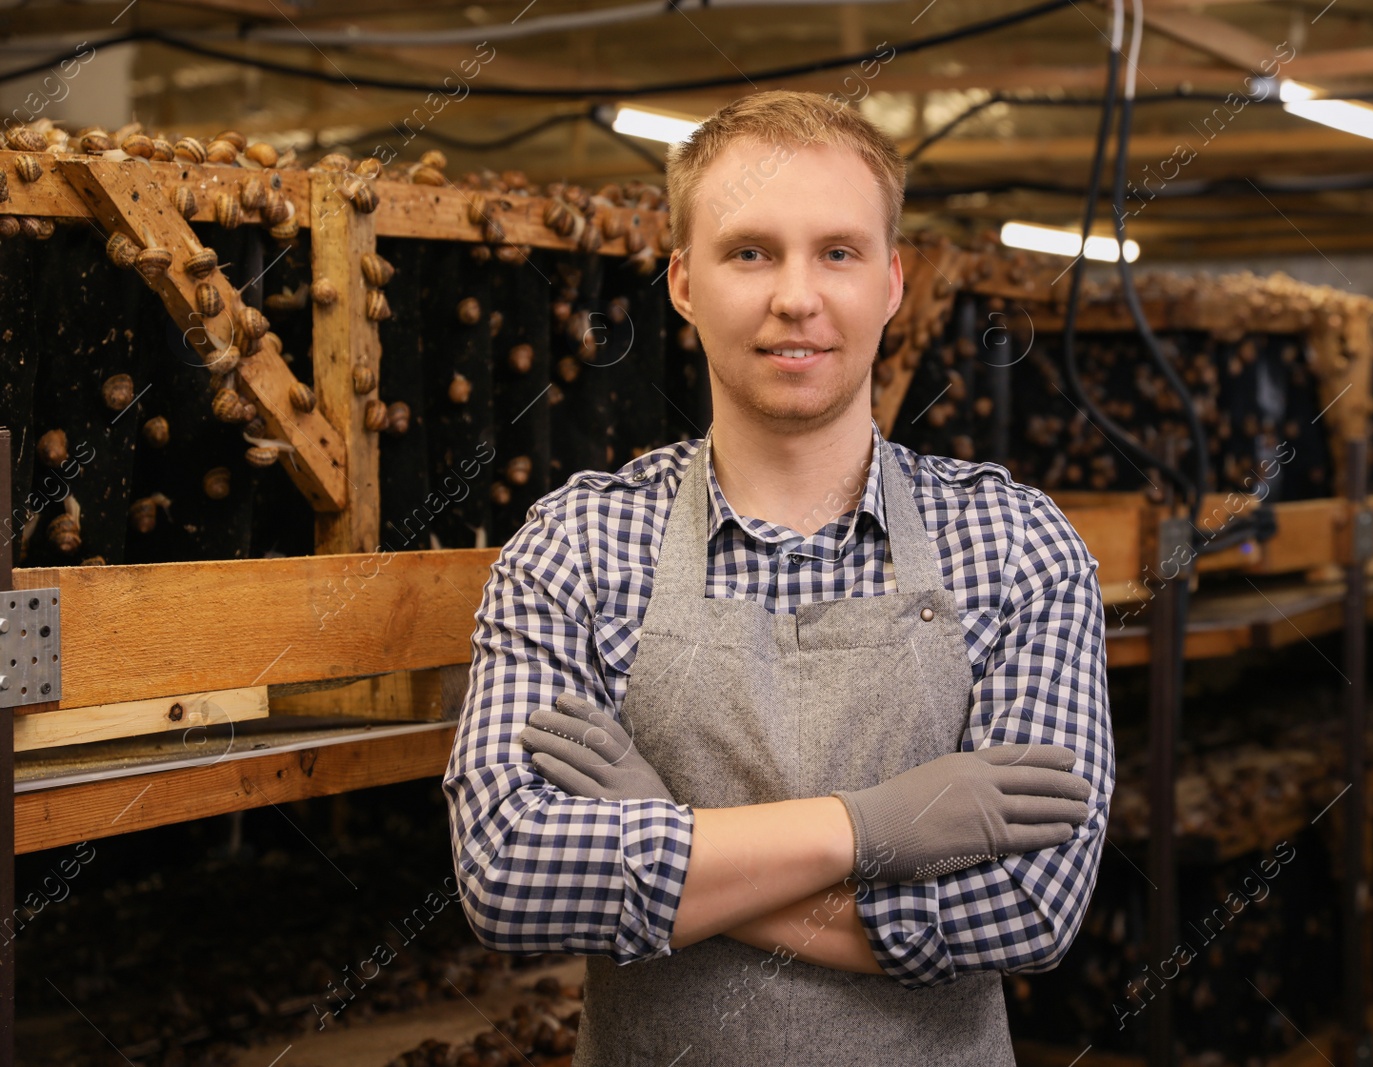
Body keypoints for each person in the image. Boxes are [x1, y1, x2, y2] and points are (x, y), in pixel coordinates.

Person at [443, 89, 1114, 1066]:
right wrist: (868, 828)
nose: (794, 296)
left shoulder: (1014, 542)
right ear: (682, 281)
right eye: (749, 251)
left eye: (836, 252)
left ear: (891, 281)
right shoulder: (575, 542)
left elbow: (1025, 909)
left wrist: (659, 840)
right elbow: (509, 877)